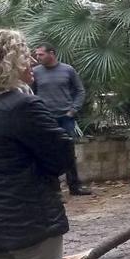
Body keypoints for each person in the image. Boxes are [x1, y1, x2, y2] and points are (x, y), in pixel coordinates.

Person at [0, 30, 74, 259]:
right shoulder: (22, 106)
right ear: (10, 62)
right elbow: (61, 156)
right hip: (31, 222)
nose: (31, 61)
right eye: (25, 55)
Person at [32, 43, 90, 196]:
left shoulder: (67, 70)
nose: (37, 57)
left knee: (68, 152)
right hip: (45, 118)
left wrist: (73, 109)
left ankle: (75, 187)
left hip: (66, 118)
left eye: (40, 54)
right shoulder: (35, 72)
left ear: (52, 53)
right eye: (37, 55)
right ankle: (54, 191)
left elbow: (80, 90)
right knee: (48, 153)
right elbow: (31, 94)